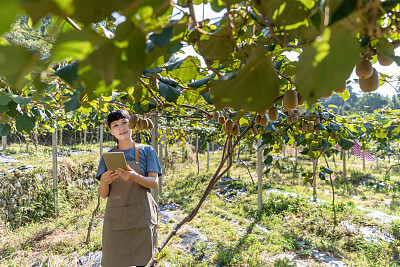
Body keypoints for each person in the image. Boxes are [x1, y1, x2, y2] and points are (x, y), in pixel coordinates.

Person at [96, 109, 161, 267]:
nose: (121, 128)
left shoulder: (147, 151)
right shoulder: (108, 156)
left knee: (144, 261)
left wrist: (134, 177)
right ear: (111, 131)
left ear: (131, 125)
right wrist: (104, 182)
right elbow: (103, 195)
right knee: (115, 261)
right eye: (115, 125)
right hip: (116, 219)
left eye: (124, 123)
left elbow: (153, 182)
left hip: (142, 217)